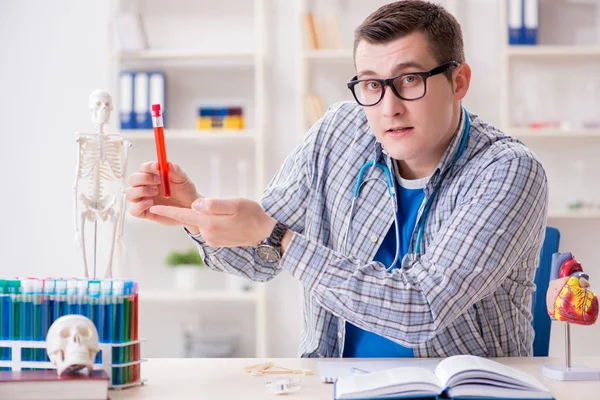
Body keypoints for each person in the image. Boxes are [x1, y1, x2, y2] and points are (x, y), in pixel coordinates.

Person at [126, 0, 548, 358]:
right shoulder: (340, 133)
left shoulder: (507, 170)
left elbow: (421, 309)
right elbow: (258, 258)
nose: (388, 108)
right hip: (336, 383)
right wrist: (196, 214)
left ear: (459, 81)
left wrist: (278, 237)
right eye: (370, 85)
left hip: (464, 390)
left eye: (408, 80)